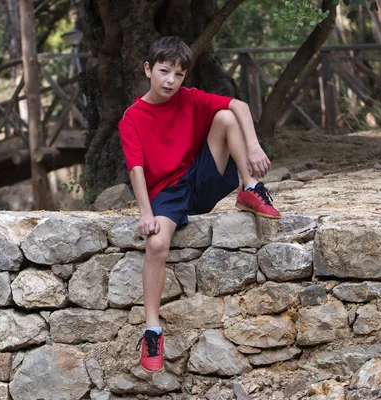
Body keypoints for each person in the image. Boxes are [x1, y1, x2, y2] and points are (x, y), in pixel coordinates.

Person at [118, 36, 280, 373]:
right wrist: (146, 214)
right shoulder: (132, 117)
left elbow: (240, 106)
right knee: (158, 244)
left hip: (198, 180)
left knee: (225, 117)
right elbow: (136, 167)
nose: (170, 81)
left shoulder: (189, 99)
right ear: (148, 69)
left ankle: (250, 187)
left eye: (178, 75)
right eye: (163, 71)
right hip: (166, 194)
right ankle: (152, 331)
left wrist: (252, 146)